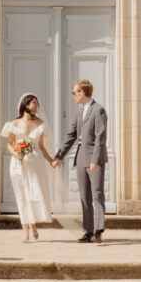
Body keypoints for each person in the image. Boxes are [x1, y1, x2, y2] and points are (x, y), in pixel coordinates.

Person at [52, 79, 107, 243]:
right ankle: (88, 231)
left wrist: (96, 160)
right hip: (81, 157)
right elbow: (71, 136)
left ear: (83, 93)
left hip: (95, 159)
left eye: (75, 92)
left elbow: (101, 137)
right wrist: (58, 156)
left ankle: (99, 230)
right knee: (84, 197)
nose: (73, 95)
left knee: (97, 195)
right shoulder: (79, 112)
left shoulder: (99, 110)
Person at [1, 93, 54, 242]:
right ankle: (25, 232)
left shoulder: (40, 123)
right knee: (22, 197)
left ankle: (33, 225)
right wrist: (17, 155)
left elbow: (42, 147)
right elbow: (9, 144)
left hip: (35, 164)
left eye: (37, 103)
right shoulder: (15, 124)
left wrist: (51, 160)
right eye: (34, 103)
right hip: (19, 165)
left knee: (33, 196)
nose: (37, 106)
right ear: (26, 105)